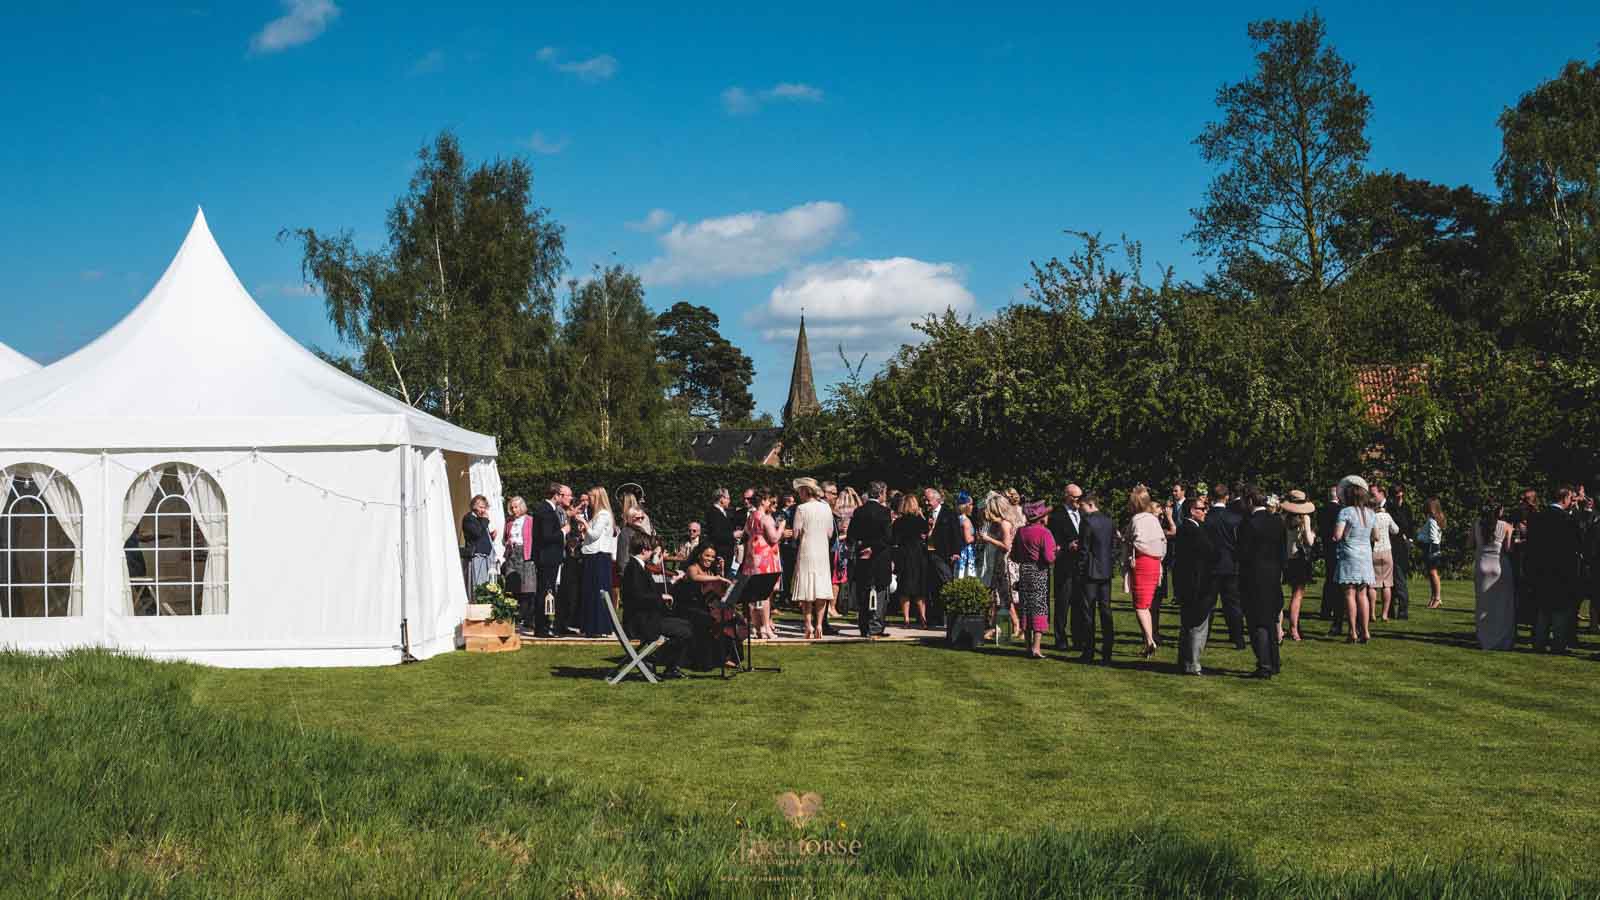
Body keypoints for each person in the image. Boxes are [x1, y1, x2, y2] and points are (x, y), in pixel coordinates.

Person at [619, 532, 692, 679]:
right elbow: (638, 597)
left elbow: (646, 591)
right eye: (651, 549)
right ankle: (655, 660)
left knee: (685, 626)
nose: (653, 552)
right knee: (685, 630)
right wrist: (661, 596)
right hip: (641, 622)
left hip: (644, 618)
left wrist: (668, 586)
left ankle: (663, 663)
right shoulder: (634, 569)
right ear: (644, 550)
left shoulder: (637, 567)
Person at [1236, 486, 1287, 679]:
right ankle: (1274, 661)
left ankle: (1264, 664)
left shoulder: (1248, 524)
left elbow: (1242, 553)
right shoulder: (1276, 521)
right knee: (1271, 620)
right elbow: (1282, 552)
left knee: (1257, 623)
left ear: (1249, 502)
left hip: (1253, 577)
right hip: (1273, 576)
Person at [1526, 486, 1581, 654]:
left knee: (1543, 608)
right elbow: (1576, 543)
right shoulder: (1567, 519)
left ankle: (1539, 642)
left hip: (1541, 568)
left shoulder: (1538, 517)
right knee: (1560, 609)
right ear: (1564, 498)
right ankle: (1558, 644)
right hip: (1562, 569)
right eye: (1570, 498)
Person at [670, 543, 739, 670]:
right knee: (710, 620)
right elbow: (695, 577)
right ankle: (708, 661)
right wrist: (717, 577)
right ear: (699, 555)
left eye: (712, 557)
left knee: (731, 618)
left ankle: (726, 657)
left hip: (704, 607)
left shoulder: (711, 571)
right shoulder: (693, 568)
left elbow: (719, 589)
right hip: (688, 608)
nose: (710, 559)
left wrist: (721, 571)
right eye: (707, 555)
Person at [1173, 495, 1215, 675]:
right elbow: (1206, 555)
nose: (1205, 511)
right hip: (1197, 586)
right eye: (1202, 508)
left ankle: (1185, 661)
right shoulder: (1193, 531)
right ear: (1192, 511)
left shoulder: (1188, 529)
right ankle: (1192, 664)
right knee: (1197, 626)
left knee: (1189, 625)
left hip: (1188, 585)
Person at [790, 478, 836, 640]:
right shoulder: (826, 509)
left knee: (807, 589)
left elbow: (795, 533)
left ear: (805, 491)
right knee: (821, 588)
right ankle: (819, 625)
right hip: (821, 550)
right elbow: (830, 533)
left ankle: (808, 625)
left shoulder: (801, 509)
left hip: (806, 550)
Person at [1123, 485, 1165, 658]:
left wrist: (1127, 541)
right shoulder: (1154, 520)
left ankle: (1149, 639)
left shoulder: (1137, 520)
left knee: (1140, 606)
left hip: (1142, 562)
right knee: (1146, 605)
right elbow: (1162, 542)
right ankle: (1149, 639)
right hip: (1155, 563)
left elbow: (1137, 541)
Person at [847, 481, 894, 637]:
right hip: (879, 557)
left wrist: (861, 547)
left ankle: (864, 626)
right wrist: (873, 548)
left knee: (864, 591)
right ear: (881, 494)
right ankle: (875, 626)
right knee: (879, 592)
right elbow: (887, 537)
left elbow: (851, 535)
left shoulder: (859, 511)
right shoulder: (884, 512)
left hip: (863, 558)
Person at [1012, 501, 1058, 659]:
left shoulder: (1021, 532)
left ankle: (1026, 646)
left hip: (1024, 570)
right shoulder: (1045, 533)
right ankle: (1036, 647)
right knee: (1039, 608)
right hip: (1039, 571)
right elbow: (1049, 557)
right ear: (1042, 517)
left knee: (1025, 607)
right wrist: (1057, 551)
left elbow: (1014, 555)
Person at [1203, 483, 1246, 650]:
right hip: (1230, 565)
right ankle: (1238, 638)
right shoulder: (1234, 518)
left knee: (1208, 604)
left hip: (1211, 566)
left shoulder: (1207, 518)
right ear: (1227, 497)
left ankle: (1204, 637)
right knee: (1233, 604)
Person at [1334, 480, 1376, 644]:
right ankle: (1365, 631)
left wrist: (1344, 535)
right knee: (1363, 594)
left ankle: (1352, 631)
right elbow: (1376, 536)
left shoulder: (1346, 512)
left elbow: (1338, 535)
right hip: (1365, 556)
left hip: (1350, 554)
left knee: (1349, 594)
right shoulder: (1371, 513)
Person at [1076, 492, 1117, 664]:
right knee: (1106, 611)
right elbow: (1114, 547)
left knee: (1088, 613)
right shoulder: (1109, 521)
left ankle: (1089, 651)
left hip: (1091, 573)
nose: (1080, 509)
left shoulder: (1087, 521)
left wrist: (1080, 569)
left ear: (1090, 504)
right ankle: (1107, 652)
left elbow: (1084, 550)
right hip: (1106, 571)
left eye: (1082, 506)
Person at [1047, 484, 1086, 652]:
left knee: (1079, 604)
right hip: (1064, 564)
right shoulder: (1056, 516)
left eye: (1080, 497)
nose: (1079, 501)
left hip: (1081, 566)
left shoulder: (1083, 513)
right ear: (1067, 496)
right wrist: (1066, 545)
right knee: (1062, 604)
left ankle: (1078, 639)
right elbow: (1052, 541)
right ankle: (1060, 639)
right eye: (1076, 498)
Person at [574, 486, 616, 637]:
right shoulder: (598, 515)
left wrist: (584, 522)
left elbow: (594, 535)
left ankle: (598, 626)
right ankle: (591, 625)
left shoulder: (603, 515)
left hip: (598, 557)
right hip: (593, 555)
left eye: (591, 497)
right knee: (590, 592)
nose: (589, 501)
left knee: (597, 591)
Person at [1473, 504, 1516, 651]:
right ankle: (1500, 640)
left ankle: (1484, 639)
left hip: (1481, 565)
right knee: (1502, 605)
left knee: (1482, 605)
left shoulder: (1477, 524)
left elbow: (1469, 544)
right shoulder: (1506, 526)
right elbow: (1509, 549)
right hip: (1499, 565)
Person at [741, 490, 783, 640]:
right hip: (765, 559)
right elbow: (774, 538)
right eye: (768, 500)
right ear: (763, 501)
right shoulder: (766, 518)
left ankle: (755, 627)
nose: (770, 503)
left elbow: (745, 535)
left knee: (753, 596)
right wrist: (782, 527)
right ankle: (765, 628)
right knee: (765, 595)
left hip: (752, 558)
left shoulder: (751, 517)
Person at [978, 492, 1019, 641]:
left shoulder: (1004, 523)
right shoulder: (1003, 522)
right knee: (1001, 598)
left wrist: (987, 538)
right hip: (1001, 562)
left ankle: (1009, 629)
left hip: (1005, 563)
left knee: (1005, 597)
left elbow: (1006, 546)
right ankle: (1003, 630)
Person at [1279, 490, 1316, 642]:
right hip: (1299, 559)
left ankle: (1279, 628)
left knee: (1279, 594)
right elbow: (1309, 541)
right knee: (1297, 595)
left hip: (1284, 558)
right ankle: (1294, 629)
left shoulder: (1282, 518)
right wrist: (1312, 534)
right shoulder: (1304, 518)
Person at [533, 483, 570, 637]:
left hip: (547, 557)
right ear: (556, 495)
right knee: (546, 591)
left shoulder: (545, 509)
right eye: (561, 495)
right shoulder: (546, 511)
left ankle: (545, 625)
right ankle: (543, 627)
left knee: (546, 591)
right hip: (547, 557)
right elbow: (547, 536)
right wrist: (563, 531)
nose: (562, 498)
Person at [502, 496, 541, 634]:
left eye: (516, 507)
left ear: (522, 507)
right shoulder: (509, 522)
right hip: (512, 555)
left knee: (528, 588)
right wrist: (507, 543)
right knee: (513, 588)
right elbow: (504, 539)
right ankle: (514, 619)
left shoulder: (530, 520)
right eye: (512, 507)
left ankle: (529, 620)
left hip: (526, 555)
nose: (514, 510)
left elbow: (536, 538)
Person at [892, 493, 931, 628]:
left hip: (904, 554)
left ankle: (906, 619)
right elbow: (926, 532)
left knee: (905, 589)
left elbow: (894, 540)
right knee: (920, 589)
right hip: (919, 555)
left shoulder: (898, 522)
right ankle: (923, 618)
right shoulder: (920, 520)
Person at [925, 488, 962, 628]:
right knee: (933, 587)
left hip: (944, 554)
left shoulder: (949, 513)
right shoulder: (926, 514)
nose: (926, 502)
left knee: (946, 582)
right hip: (930, 554)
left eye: (928, 500)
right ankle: (936, 618)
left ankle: (949, 616)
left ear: (937, 499)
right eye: (925, 500)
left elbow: (956, 534)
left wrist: (956, 551)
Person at [1317, 484, 1344, 635]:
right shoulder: (1341, 511)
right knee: (1338, 580)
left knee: (1329, 578)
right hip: (1337, 546)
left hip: (1327, 546)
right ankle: (1336, 609)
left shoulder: (1322, 510)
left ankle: (1326, 609)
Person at [1386, 484, 1416, 620]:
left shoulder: (1406, 508)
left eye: (1400, 495)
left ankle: (1403, 611)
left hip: (1402, 547)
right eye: (1396, 496)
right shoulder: (1390, 508)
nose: (1399, 498)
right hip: (1392, 545)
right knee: (1390, 581)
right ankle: (1390, 609)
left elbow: (1408, 525)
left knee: (1399, 579)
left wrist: (1409, 538)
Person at [1370, 491, 1400, 621]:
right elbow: (1396, 530)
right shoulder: (1387, 516)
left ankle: (1371, 613)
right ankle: (1384, 614)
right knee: (1387, 584)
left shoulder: (1371, 517)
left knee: (1373, 585)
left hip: (1374, 551)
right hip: (1387, 551)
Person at [832, 487, 861, 620]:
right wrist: (855, 495)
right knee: (844, 577)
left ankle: (838, 605)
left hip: (840, 543)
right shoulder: (854, 510)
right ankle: (841, 605)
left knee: (839, 576)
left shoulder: (837, 510)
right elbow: (862, 507)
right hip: (848, 543)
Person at [461, 494, 497, 593]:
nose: (483, 510)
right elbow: (476, 533)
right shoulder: (469, 518)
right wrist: (485, 520)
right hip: (477, 556)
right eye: (481, 507)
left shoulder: (479, 519)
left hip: (486, 556)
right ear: (474, 506)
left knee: (487, 585)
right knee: (478, 585)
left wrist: (490, 536)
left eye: (485, 508)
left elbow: (480, 534)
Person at [1418, 497, 1446, 609]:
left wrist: (1420, 537)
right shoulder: (1436, 519)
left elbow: (1433, 538)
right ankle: (1433, 597)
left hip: (1431, 548)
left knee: (1433, 573)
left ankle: (1437, 598)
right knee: (1431, 574)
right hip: (1432, 548)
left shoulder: (1432, 520)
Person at [704, 488, 737, 575]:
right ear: (721, 498)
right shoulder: (713, 513)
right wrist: (733, 535)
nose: (729, 501)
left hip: (726, 553)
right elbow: (716, 535)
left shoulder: (723, 512)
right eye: (728, 498)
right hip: (720, 553)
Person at [955, 491, 977, 579]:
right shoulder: (966, 521)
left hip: (959, 550)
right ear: (966, 506)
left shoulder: (957, 518)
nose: (972, 507)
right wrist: (977, 537)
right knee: (966, 576)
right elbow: (968, 539)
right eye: (971, 504)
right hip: (966, 553)